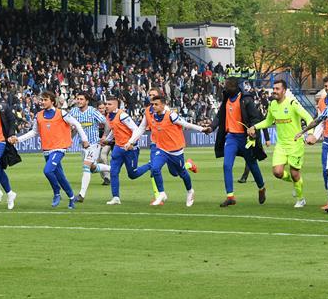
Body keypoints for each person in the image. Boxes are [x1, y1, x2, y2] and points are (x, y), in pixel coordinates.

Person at [127, 95, 210, 206]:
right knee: (155, 168)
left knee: (180, 173)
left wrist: (202, 129)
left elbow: (185, 124)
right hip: (162, 149)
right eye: (152, 104)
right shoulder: (152, 116)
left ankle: (190, 191)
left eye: (156, 104)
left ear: (163, 105)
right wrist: (131, 142)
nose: (153, 107)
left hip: (176, 151)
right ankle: (161, 193)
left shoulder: (171, 115)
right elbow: (142, 128)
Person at [10, 91, 89, 209]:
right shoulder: (39, 115)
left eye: (45, 99)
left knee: (47, 171)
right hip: (47, 149)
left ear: (52, 101)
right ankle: (72, 198)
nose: (42, 102)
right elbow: (34, 132)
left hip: (59, 148)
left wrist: (84, 139)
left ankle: (57, 193)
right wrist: (18, 139)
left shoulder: (61, 113)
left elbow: (77, 124)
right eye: (41, 100)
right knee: (60, 176)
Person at [250, 80, 312, 208]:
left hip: (295, 144)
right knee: (277, 172)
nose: (275, 91)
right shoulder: (272, 104)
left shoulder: (292, 103)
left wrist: (310, 133)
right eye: (274, 88)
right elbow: (268, 122)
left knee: (295, 173)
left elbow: (308, 117)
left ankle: (301, 199)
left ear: (284, 90)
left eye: (278, 89)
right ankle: (297, 183)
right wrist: (254, 127)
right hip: (281, 145)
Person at [210, 77, 267, 207]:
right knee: (226, 165)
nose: (226, 88)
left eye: (228, 86)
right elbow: (220, 115)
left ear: (236, 88)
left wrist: (252, 129)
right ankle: (230, 196)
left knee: (252, 165)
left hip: (244, 138)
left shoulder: (246, 99)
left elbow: (255, 118)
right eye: (225, 86)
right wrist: (212, 126)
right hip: (231, 138)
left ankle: (261, 187)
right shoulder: (226, 99)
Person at [95, 97, 143, 205]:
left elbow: (136, 129)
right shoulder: (108, 116)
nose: (107, 106)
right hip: (118, 148)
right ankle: (115, 197)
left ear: (116, 105)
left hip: (130, 149)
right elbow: (114, 130)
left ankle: (150, 165)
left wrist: (131, 142)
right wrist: (107, 140)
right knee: (113, 172)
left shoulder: (122, 115)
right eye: (106, 104)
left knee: (132, 174)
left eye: (109, 104)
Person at [68, 92, 107, 202]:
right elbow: (74, 128)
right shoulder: (74, 111)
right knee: (92, 168)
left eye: (81, 99)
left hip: (94, 144)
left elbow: (106, 123)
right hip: (83, 145)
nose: (79, 101)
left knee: (86, 167)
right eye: (78, 99)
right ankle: (113, 169)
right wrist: (70, 138)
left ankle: (81, 195)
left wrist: (104, 136)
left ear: (87, 101)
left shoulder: (93, 111)